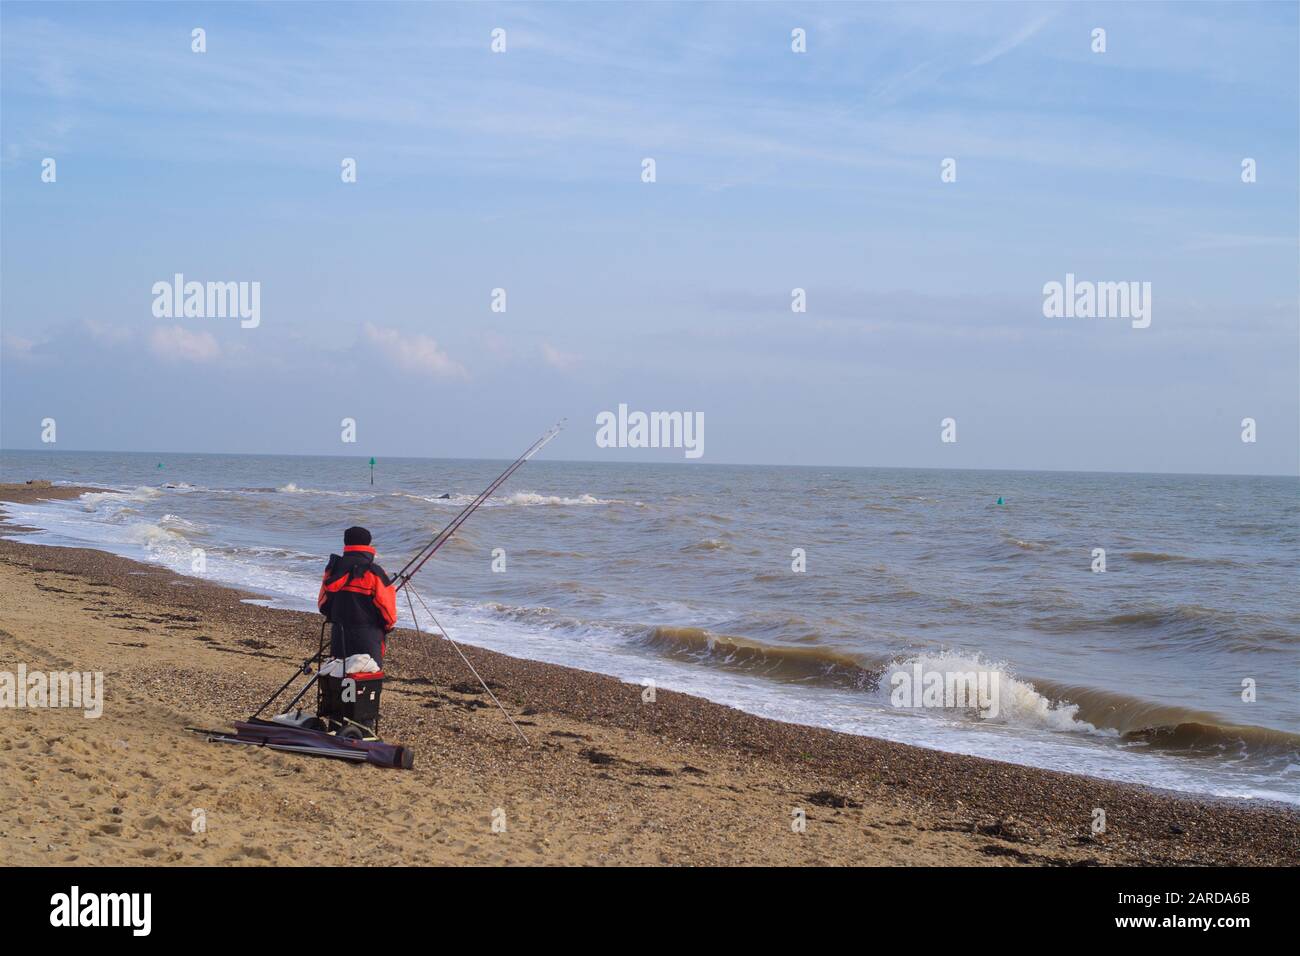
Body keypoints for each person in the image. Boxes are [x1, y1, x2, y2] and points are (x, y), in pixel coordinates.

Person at [316, 526, 397, 668]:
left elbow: (323, 604)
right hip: (368, 636)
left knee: (338, 675)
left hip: (338, 633)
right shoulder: (374, 572)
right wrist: (387, 627)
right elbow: (387, 612)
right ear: (368, 544)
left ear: (346, 543)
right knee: (366, 679)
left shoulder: (334, 568)